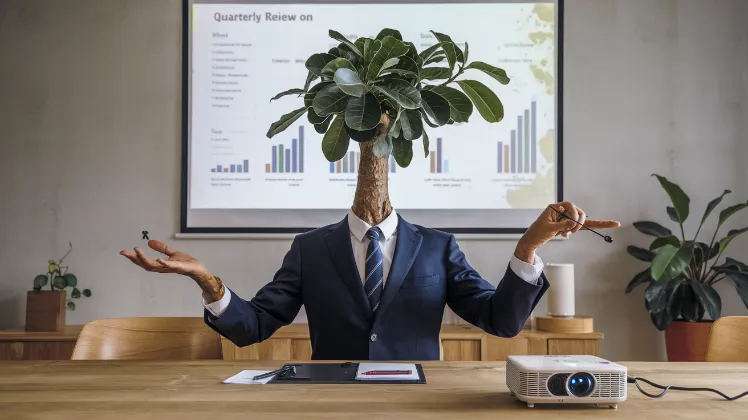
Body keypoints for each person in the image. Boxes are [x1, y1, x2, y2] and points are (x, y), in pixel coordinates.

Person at [121, 202, 620, 360]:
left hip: (421, 401)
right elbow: (253, 326)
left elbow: (501, 321)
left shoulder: (438, 245)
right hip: (331, 404)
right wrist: (208, 281)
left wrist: (527, 247)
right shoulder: (311, 247)